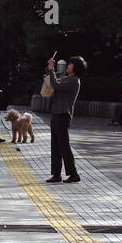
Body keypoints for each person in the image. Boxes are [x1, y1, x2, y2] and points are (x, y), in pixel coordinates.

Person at [44, 55, 86, 183]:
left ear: (75, 67)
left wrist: (51, 70)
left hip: (63, 114)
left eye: (70, 64)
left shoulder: (74, 80)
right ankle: (56, 174)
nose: (68, 66)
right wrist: (49, 70)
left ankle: (73, 174)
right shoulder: (67, 78)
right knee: (55, 145)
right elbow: (53, 81)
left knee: (64, 146)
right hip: (57, 113)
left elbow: (56, 85)